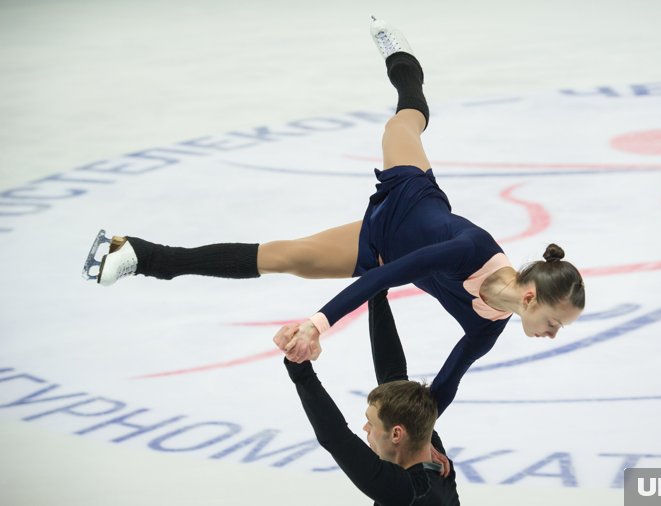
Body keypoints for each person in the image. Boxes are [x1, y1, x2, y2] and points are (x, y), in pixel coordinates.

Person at [85, 17, 586, 415]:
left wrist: (420, 443)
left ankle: (138, 254)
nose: (552, 333)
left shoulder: (487, 328)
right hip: (410, 190)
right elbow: (390, 278)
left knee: (287, 257)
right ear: (529, 294)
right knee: (406, 117)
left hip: (380, 241)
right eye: (555, 321)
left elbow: (442, 392)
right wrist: (317, 324)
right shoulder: (469, 251)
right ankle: (403, 61)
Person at [278, 289, 459, 504]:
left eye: (371, 423)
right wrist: (376, 291)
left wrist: (300, 369)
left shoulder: (403, 490)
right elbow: (394, 379)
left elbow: (336, 438)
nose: (365, 428)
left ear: (396, 434)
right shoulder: (432, 457)